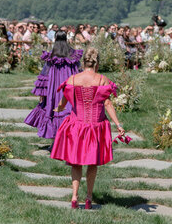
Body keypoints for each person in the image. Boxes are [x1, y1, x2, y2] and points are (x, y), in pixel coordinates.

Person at [50, 49, 124, 209]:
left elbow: (64, 101)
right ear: (97, 64)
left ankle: (74, 197)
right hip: (96, 127)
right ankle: (89, 198)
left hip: (77, 125)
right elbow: (108, 103)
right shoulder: (102, 79)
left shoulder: (73, 79)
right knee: (92, 163)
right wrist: (118, 124)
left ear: (83, 63)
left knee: (75, 162)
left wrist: (59, 108)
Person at [24, 31, 84, 141]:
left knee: (53, 109)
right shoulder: (73, 55)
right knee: (70, 109)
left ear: (55, 39)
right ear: (66, 39)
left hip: (54, 88)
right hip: (70, 86)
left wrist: (42, 93)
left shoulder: (52, 56)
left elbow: (44, 76)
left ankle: (56, 141)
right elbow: (80, 71)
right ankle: (71, 139)